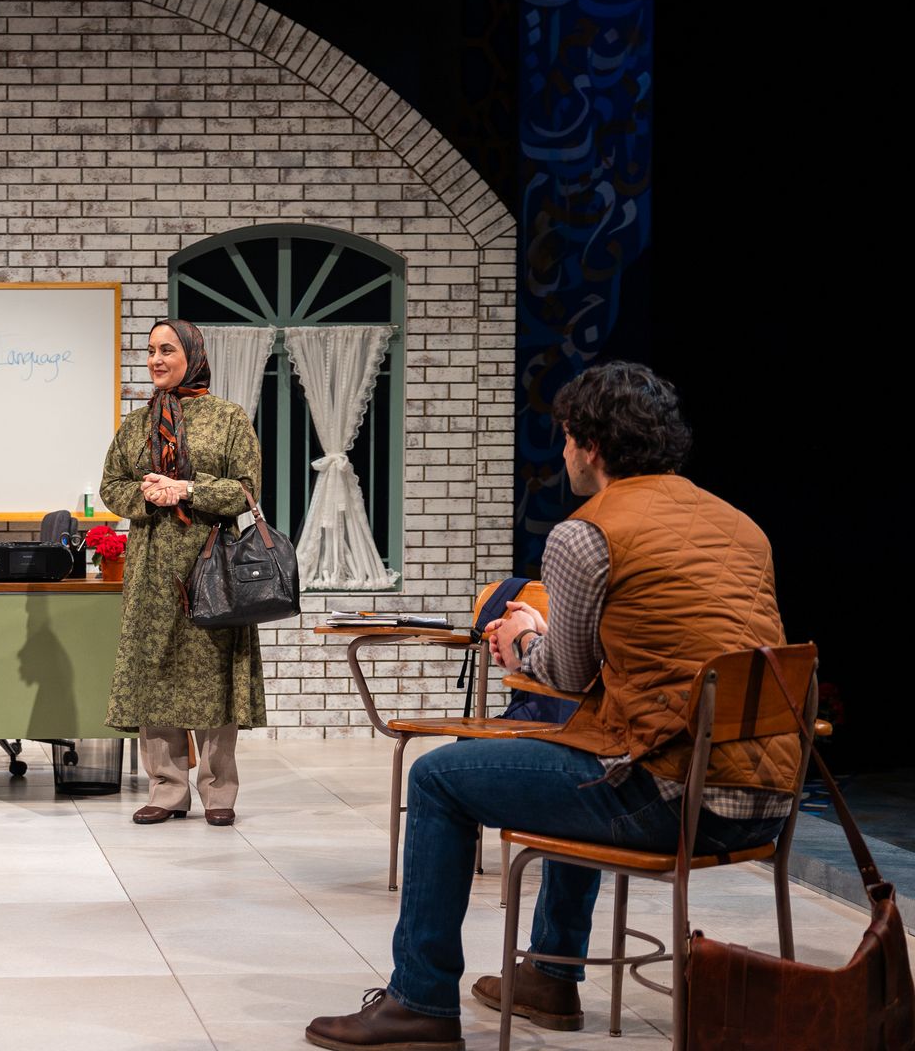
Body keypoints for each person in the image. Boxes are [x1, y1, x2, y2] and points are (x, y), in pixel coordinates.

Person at [305, 362, 792, 1050]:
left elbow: (565, 673)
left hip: (674, 799)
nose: (562, 452)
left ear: (591, 447)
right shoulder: (740, 526)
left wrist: (523, 636)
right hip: (766, 798)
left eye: (565, 438)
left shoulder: (586, 533)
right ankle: (551, 976)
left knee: (438, 778)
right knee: (584, 745)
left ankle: (420, 999)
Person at [98, 319, 266, 827]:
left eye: (166, 350)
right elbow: (111, 486)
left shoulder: (228, 418)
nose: (155, 360)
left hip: (213, 563)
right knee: (155, 672)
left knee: (215, 675)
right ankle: (167, 789)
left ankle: (219, 793)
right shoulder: (135, 424)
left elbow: (248, 490)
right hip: (151, 568)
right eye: (150, 351)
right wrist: (148, 495)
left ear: (191, 354)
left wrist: (188, 490)